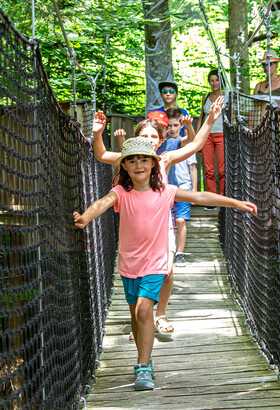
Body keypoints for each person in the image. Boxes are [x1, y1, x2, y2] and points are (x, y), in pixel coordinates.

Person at [74, 136, 257, 391]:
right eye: (132, 160)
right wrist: (84, 217)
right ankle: (146, 359)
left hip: (156, 264)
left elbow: (201, 196)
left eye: (144, 159)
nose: (139, 164)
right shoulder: (121, 192)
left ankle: (143, 367)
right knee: (136, 318)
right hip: (129, 264)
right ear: (125, 166)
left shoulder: (166, 192)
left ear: (153, 163)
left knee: (143, 311)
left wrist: (235, 203)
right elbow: (102, 204)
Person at [93, 96, 224, 336]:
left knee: (168, 271)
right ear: (136, 139)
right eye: (144, 137)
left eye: (154, 137)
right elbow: (101, 155)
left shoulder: (165, 159)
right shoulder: (128, 158)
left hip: (163, 226)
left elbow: (194, 146)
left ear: (161, 140)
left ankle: (159, 314)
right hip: (136, 231)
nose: (149, 141)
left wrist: (211, 119)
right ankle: (143, 321)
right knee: (140, 274)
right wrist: (98, 133)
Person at [165, 107, 197, 267]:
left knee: (181, 220)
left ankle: (180, 253)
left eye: (176, 125)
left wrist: (195, 191)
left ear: (181, 126)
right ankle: (169, 250)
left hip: (183, 188)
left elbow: (193, 168)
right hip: (167, 189)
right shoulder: (163, 146)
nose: (172, 129)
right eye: (169, 126)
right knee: (169, 222)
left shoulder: (187, 145)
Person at [196, 69, 225, 210]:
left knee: (222, 169)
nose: (214, 83)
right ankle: (211, 200)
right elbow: (202, 117)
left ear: (221, 81)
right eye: (212, 80)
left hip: (222, 134)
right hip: (207, 135)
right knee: (208, 169)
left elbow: (231, 117)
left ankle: (223, 198)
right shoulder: (205, 97)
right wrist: (196, 136)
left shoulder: (227, 96)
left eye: (217, 80)